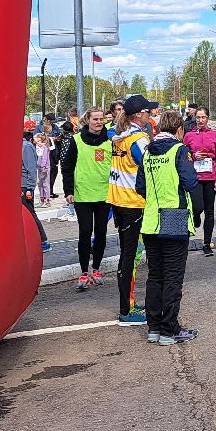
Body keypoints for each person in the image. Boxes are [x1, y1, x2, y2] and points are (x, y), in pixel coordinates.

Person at [136, 109, 201, 345]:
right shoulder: (178, 150)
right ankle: (169, 329)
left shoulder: (148, 152)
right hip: (173, 216)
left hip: (151, 219)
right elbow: (190, 181)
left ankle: (153, 327)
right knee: (173, 276)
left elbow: (140, 187)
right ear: (179, 129)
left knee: (155, 275)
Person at [108, 95, 156, 325]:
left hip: (119, 201)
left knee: (129, 255)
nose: (150, 115)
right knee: (131, 257)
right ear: (138, 115)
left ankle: (130, 304)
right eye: (148, 111)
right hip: (133, 203)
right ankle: (127, 310)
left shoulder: (120, 136)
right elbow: (150, 167)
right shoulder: (138, 139)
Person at [62, 106, 112, 291]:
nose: (99, 122)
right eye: (95, 119)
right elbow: (66, 167)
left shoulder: (111, 140)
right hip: (82, 194)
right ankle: (84, 271)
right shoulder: (76, 140)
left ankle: (96, 269)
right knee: (85, 232)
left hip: (104, 194)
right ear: (87, 121)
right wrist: (68, 190)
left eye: (101, 119)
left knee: (101, 232)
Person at [187, 107, 216, 256]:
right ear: (195, 118)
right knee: (197, 207)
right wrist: (193, 156)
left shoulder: (214, 135)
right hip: (195, 178)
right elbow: (184, 155)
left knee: (209, 211)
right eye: (198, 117)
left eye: (203, 117)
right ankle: (196, 216)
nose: (201, 120)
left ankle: (207, 243)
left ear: (208, 118)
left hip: (210, 177)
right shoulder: (189, 135)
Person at [21, 118, 50, 252]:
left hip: (25, 187)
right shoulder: (18, 146)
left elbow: (31, 169)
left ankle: (43, 240)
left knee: (30, 213)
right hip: (19, 186)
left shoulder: (26, 147)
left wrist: (29, 188)